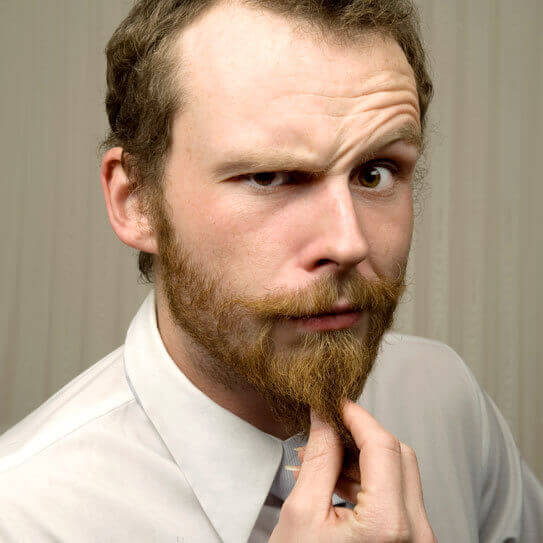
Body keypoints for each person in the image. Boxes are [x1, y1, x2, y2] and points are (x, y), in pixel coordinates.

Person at [1, 0, 542, 541]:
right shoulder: (24, 514)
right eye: (270, 177)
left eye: (376, 173)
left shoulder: (447, 402)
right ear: (136, 201)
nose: (348, 243)